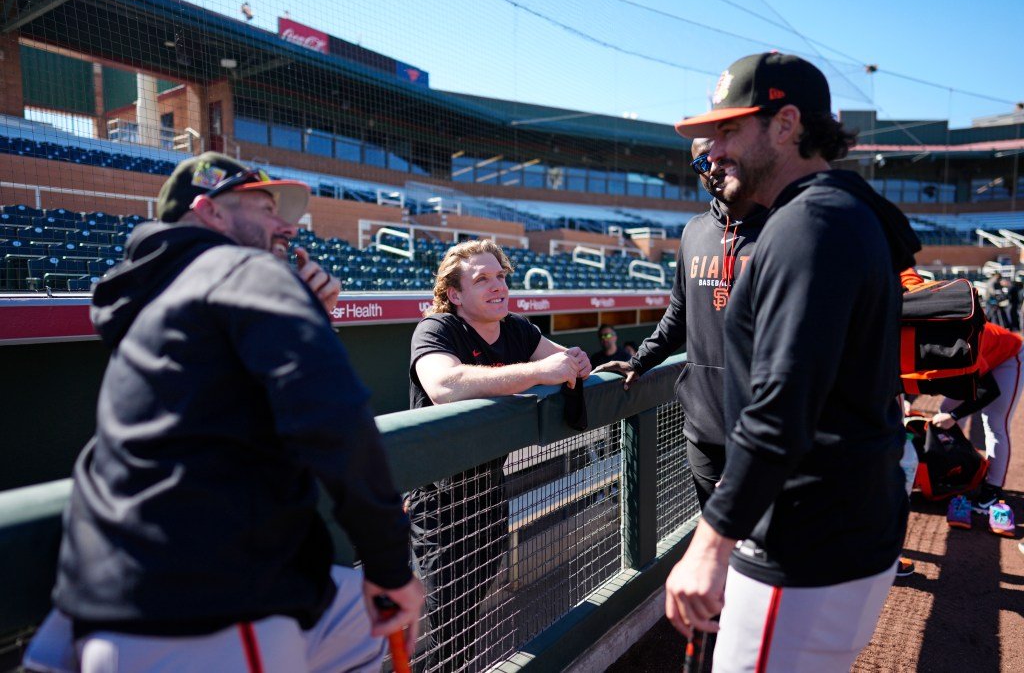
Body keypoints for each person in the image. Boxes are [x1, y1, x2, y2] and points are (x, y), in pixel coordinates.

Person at [25, 152, 423, 673]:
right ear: (209, 212)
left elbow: (229, 405)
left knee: (355, 622)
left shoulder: (161, 297)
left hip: (104, 609)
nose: (285, 225)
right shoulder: (241, 267)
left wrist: (307, 319)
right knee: (384, 614)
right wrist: (391, 567)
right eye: (263, 207)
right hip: (207, 610)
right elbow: (331, 410)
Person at [665, 53, 920, 670]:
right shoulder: (841, 210)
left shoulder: (808, 225)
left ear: (786, 125)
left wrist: (710, 541)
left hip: (805, 540)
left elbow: (782, 406)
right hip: (843, 524)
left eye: (728, 130)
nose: (712, 148)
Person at [408, 238, 591, 670]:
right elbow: (444, 386)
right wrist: (540, 371)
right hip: (439, 499)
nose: (497, 286)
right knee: (451, 622)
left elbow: (564, 362)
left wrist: (578, 362)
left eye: (501, 276)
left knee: (468, 617)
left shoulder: (516, 328)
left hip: (488, 491)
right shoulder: (437, 328)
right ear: (455, 294)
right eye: (482, 279)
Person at [595, 136, 767, 510]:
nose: (712, 169)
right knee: (714, 531)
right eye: (701, 163)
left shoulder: (779, 229)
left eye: (720, 158)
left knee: (765, 543)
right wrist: (639, 361)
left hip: (763, 419)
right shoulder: (693, 231)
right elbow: (678, 312)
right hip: (704, 420)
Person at [931, 321, 1023, 514]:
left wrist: (954, 416)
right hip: (981, 356)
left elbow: (989, 391)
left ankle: (992, 491)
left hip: (1009, 357)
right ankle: (959, 469)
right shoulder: (935, 337)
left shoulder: (960, 344)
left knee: (995, 423)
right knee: (945, 409)